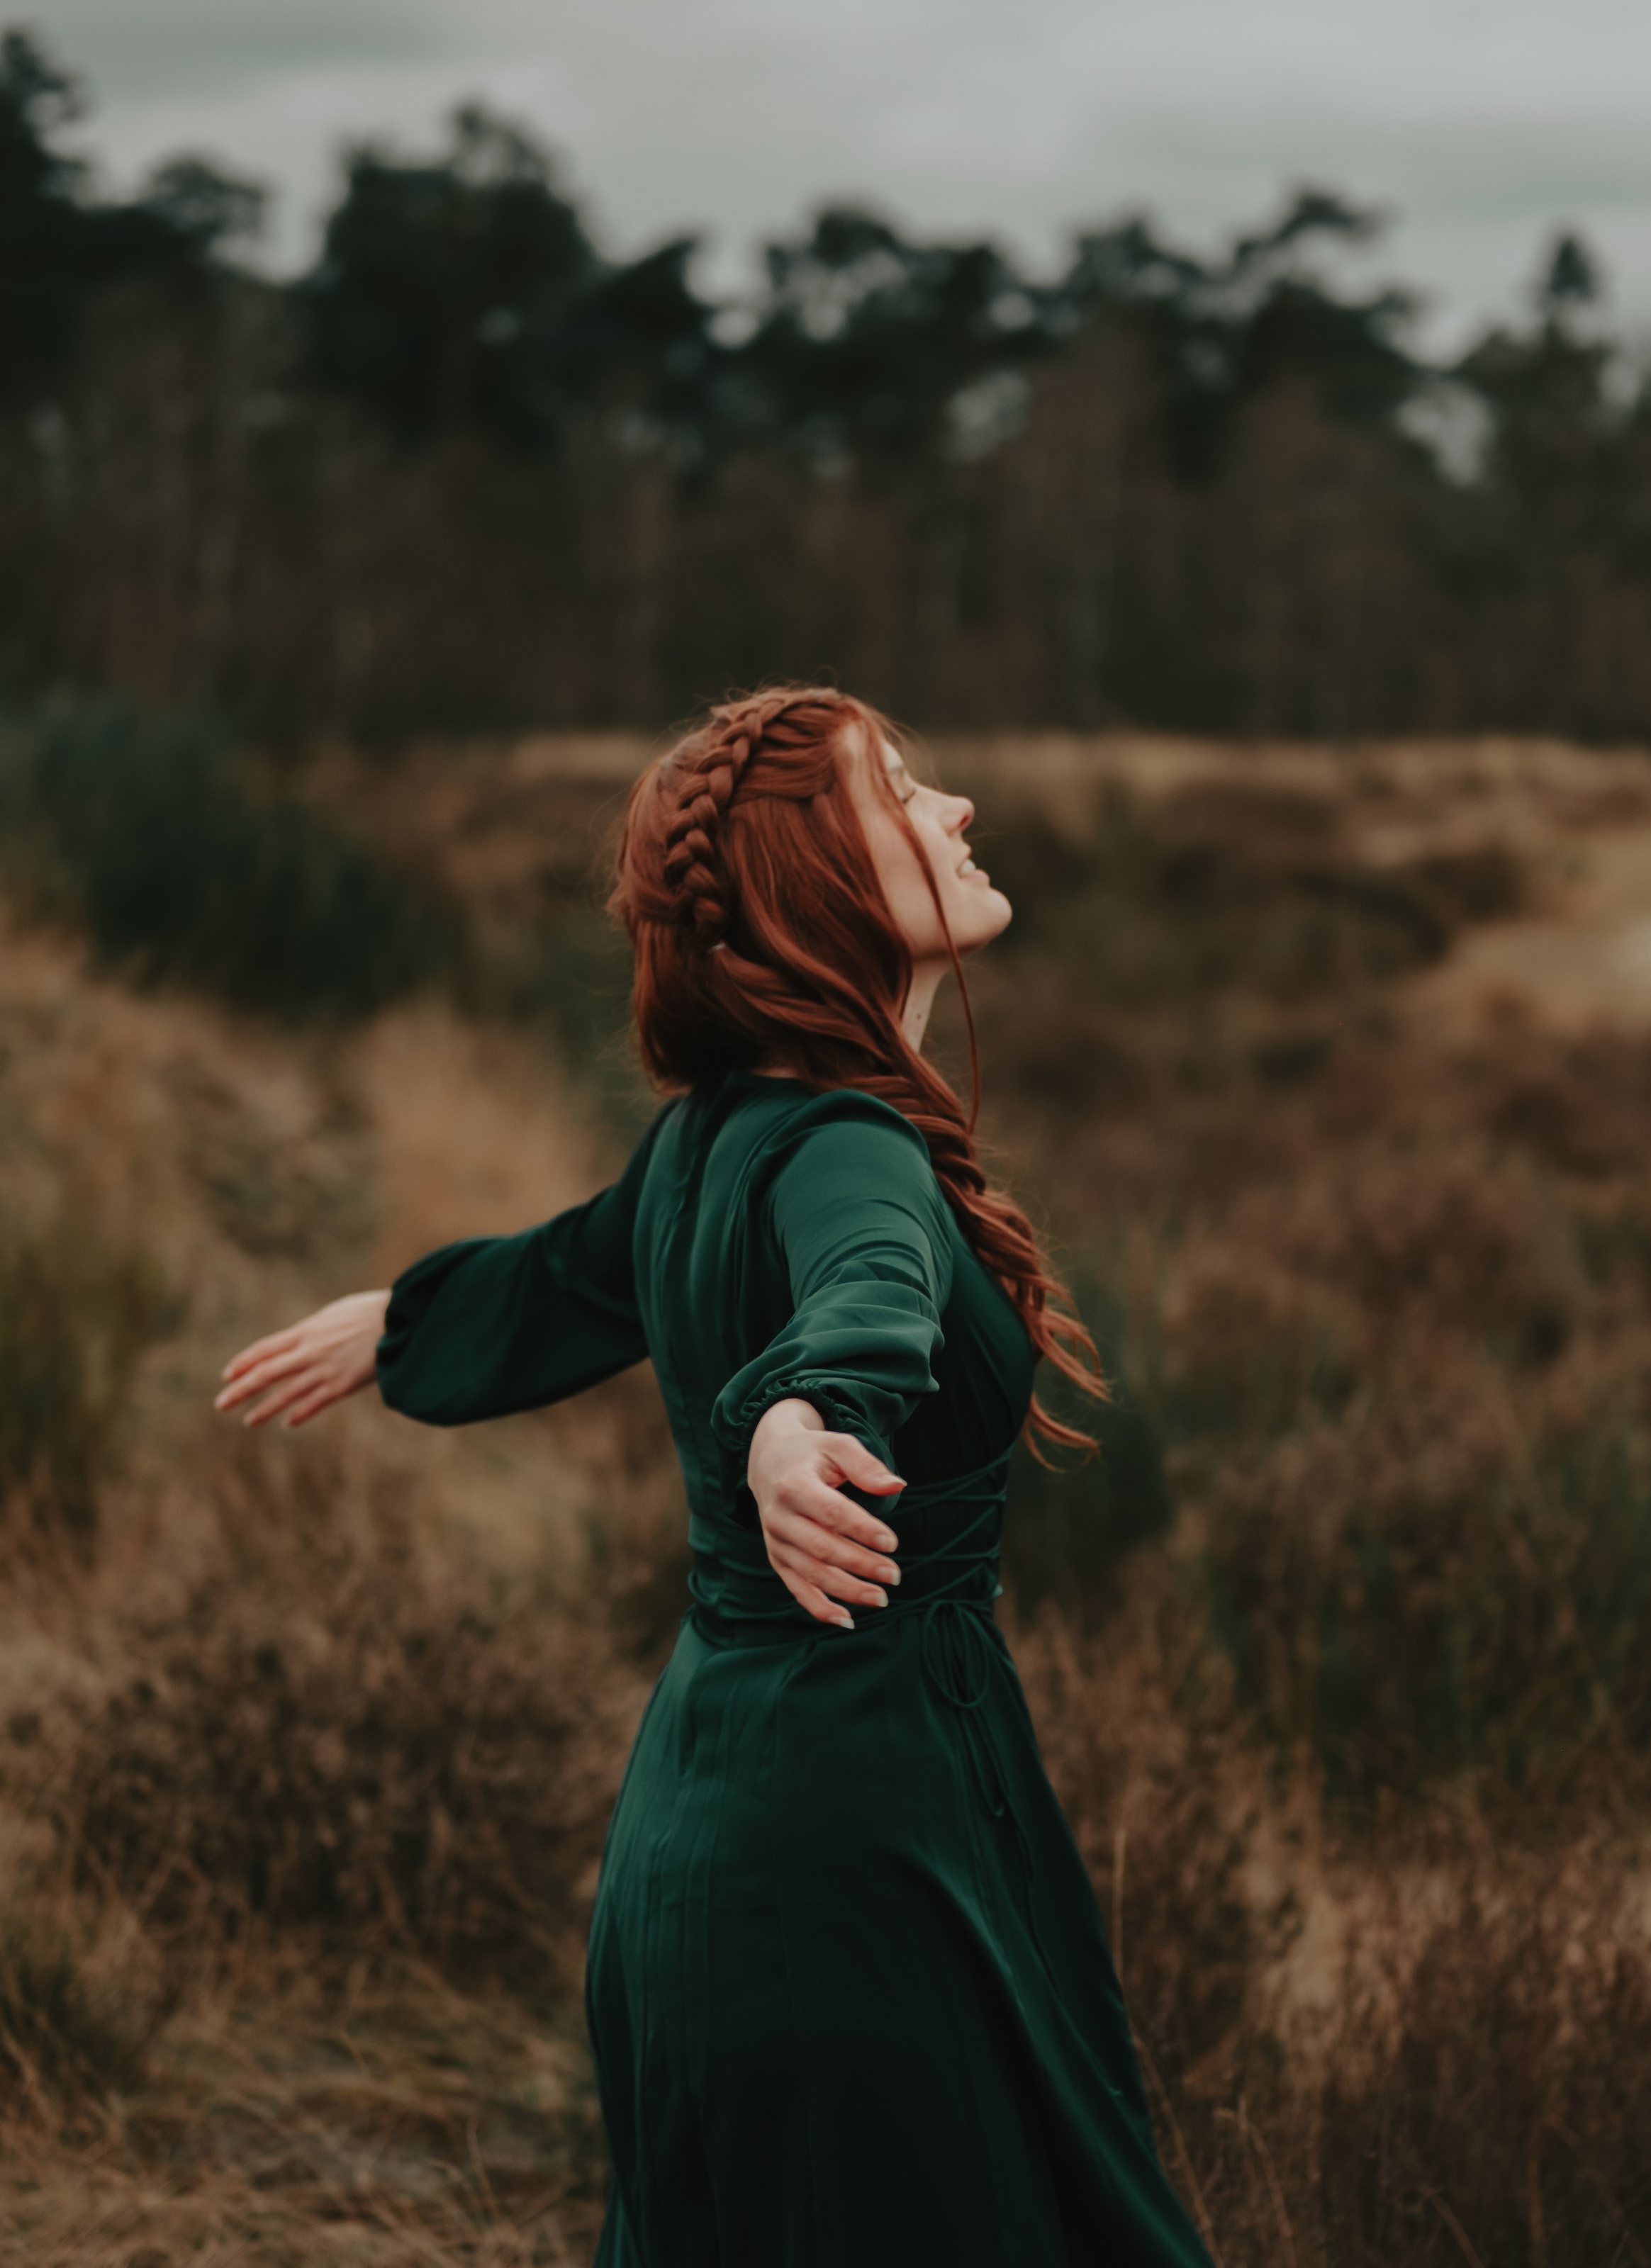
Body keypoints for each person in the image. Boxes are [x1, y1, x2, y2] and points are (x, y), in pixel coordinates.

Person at [216, 688, 1215, 2268]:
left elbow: (577, 1273)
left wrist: (400, 1318)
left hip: (704, 1829)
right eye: (902, 793)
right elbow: (862, 1297)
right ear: (810, 883)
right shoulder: (846, 1148)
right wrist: (796, 1415)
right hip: (855, 1839)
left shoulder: (708, 1136)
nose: (955, 809)